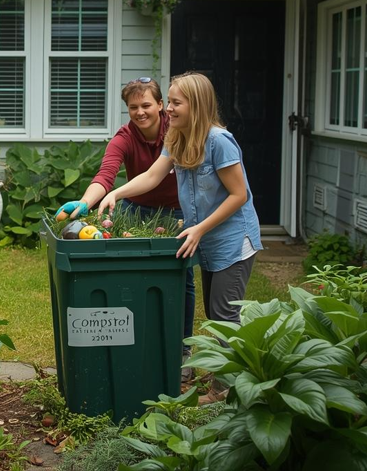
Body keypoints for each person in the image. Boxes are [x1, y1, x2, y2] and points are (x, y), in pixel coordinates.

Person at [98, 72, 262, 403]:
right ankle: (225, 380)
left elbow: (238, 195)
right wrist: (116, 193)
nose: (168, 109)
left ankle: (225, 391)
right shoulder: (177, 136)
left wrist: (199, 228)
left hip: (233, 240)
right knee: (218, 315)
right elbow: (153, 175)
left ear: (196, 105)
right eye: (169, 101)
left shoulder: (219, 141)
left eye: (175, 102)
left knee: (224, 316)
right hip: (209, 241)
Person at [55, 77, 196, 382]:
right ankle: (134, 335)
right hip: (136, 210)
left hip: (178, 212)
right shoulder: (124, 137)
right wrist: (83, 204)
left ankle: (183, 349)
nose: (140, 112)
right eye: (133, 107)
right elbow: (106, 175)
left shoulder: (176, 132)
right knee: (131, 271)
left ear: (161, 105)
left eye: (146, 105)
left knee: (182, 276)